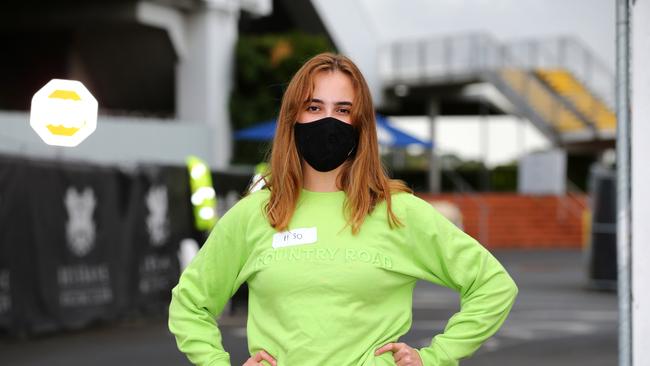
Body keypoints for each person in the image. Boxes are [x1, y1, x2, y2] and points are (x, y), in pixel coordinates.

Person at [168, 52, 518, 366]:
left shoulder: (399, 212)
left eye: (343, 110)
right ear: (293, 117)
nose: (328, 121)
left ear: (361, 123)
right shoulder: (255, 214)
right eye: (314, 107)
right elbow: (190, 304)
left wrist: (435, 357)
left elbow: (493, 285)